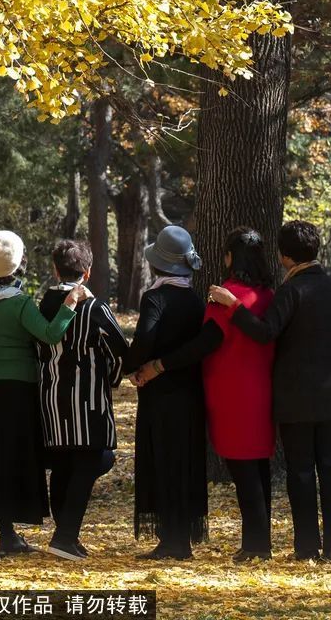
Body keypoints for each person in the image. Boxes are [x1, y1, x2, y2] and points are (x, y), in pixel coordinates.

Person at [209, 220, 331, 564]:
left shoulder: (292, 290)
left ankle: (306, 546)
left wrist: (233, 305)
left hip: (297, 398)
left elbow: (265, 332)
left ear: (285, 256)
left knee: (301, 471)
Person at [136, 227, 276, 562]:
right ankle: (260, 540)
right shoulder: (268, 295)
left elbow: (204, 344)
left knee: (243, 470)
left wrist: (158, 365)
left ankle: (255, 545)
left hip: (230, 393)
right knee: (259, 468)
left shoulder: (225, 297)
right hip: (262, 389)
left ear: (231, 258)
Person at [0, 230, 87, 559]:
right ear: (17, 266)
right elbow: (49, 334)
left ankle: (7, 534)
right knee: (9, 461)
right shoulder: (18, 302)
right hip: (17, 390)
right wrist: (70, 304)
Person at [38, 239, 128, 561]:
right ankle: (64, 537)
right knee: (91, 462)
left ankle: (66, 536)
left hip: (50, 400)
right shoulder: (94, 307)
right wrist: (112, 378)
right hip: (88, 402)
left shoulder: (43, 305)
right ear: (87, 273)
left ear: (54, 268)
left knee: (63, 467)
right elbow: (120, 350)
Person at [124, 225, 208, 561]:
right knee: (183, 461)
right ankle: (180, 536)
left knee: (162, 461)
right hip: (190, 391)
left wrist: (132, 363)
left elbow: (144, 338)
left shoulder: (155, 297)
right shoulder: (196, 300)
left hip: (160, 395)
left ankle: (170, 539)